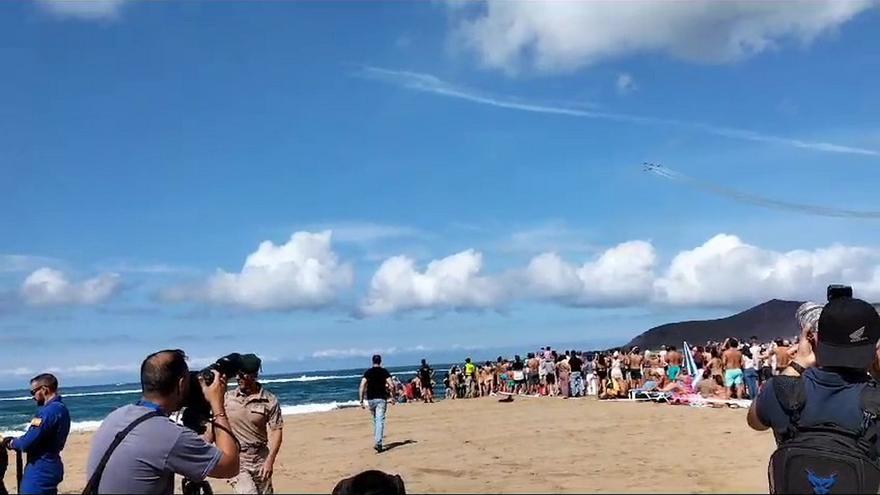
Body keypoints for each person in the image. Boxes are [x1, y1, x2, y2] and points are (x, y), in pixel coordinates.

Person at [748, 295, 880, 494]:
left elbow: (754, 422)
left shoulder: (781, 391)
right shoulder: (875, 399)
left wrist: (799, 362)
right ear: (874, 346)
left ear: (815, 340)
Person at [85, 349, 240, 494]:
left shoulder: (115, 417)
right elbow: (230, 466)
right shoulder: (170, 435)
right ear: (180, 384)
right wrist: (217, 404)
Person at [220, 354, 283, 494]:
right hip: (237, 459)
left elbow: (276, 430)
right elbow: (215, 424)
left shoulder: (269, 401)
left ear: (253, 376)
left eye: (242, 375)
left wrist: (270, 461)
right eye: (237, 374)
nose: (237, 378)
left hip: (260, 457)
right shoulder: (226, 398)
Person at [1, 374, 70, 495]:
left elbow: (27, 443)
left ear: (44, 389)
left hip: (40, 469)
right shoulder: (61, 409)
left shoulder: (47, 412)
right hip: (51, 464)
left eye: (33, 392)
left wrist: (11, 442)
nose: (33, 397)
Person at [359, 354, 395, 453]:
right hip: (381, 399)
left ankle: (377, 440)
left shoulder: (368, 372)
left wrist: (361, 400)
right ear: (380, 361)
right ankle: (378, 442)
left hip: (371, 399)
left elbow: (362, 386)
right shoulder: (384, 372)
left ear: (372, 361)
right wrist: (393, 397)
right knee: (379, 420)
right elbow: (392, 385)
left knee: (376, 419)